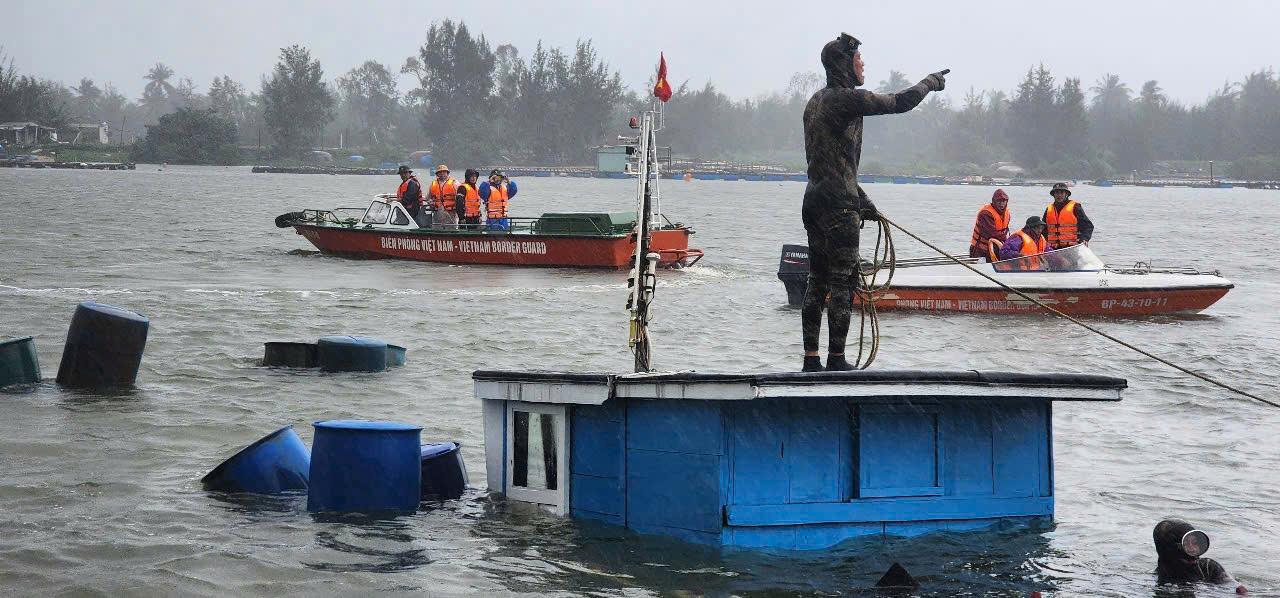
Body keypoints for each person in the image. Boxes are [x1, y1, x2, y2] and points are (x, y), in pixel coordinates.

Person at [799, 32, 948, 372]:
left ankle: (811, 360)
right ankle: (837, 359)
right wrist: (930, 83)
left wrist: (863, 200)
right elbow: (901, 102)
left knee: (817, 281)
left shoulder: (814, 103)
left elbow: (830, 163)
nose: (863, 64)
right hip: (838, 207)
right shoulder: (845, 100)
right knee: (842, 282)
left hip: (815, 200)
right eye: (858, 60)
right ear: (843, 65)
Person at [1153, 519, 1246, 593]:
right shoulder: (1161, 579)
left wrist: (1239, 590)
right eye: (1187, 544)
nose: (1194, 549)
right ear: (1172, 549)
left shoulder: (1207, 567)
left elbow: (1231, 585)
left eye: (1195, 543)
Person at [1043, 182, 1094, 250]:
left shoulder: (1075, 207)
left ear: (1066, 194)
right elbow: (1043, 229)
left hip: (1072, 248)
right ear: (1053, 195)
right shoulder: (1049, 209)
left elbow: (1088, 226)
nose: (1059, 195)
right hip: (1053, 249)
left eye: (1062, 193)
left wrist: (1084, 239)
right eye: (1057, 193)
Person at [969, 189, 1012, 262]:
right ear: (994, 201)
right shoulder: (986, 213)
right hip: (981, 251)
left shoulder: (1007, 213)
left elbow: (1006, 231)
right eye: (999, 201)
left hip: (996, 248)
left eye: (1003, 201)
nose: (1001, 204)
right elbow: (992, 234)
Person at [429, 164, 459, 229]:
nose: (442, 174)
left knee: (451, 230)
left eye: (444, 172)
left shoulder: (455, 183)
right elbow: (428, 197)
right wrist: (431, 202)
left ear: (447, 173)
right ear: (437, 174)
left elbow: (460, 197)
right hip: (437, 212)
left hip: (450, 212)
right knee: (436, 230)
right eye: (440, 172)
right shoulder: (433, 183)